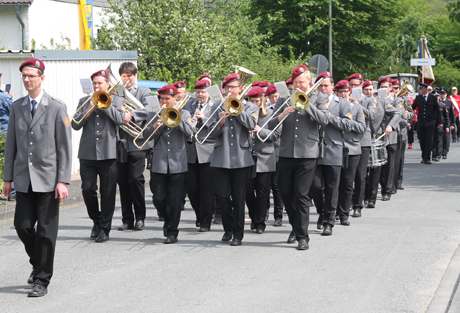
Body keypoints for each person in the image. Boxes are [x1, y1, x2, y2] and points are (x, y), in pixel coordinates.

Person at [2, 58, 72, 297]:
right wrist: (7, 177)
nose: (27, 80)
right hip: (23, 178)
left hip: (49, 180)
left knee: (46, 231)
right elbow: (11, 143)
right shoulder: (17, 106)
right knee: (21, 226)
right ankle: (38, 262)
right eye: (24, 76)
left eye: (31, 75)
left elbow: (64, 147)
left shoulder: (56, 107)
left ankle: (42, 279)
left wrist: (63, 180)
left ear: (41, 77)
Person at [270, 65, 329, 249]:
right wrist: (281, 115)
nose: (299, 86)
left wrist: (306, 104)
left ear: (309, 82)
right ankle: (296, 227)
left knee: (301, 194)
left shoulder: (320, 98)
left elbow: (324, 120)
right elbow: (271, 123)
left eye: (302, 82)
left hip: (307, 153)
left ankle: (303, 236)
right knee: (285, 192)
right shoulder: (284, 99)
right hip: (286, 152)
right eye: (296, 83)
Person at [72, 69, 130, 243]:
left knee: (108, 192)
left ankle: (105, 228)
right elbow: (74, 124)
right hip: (87, 153)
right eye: (95, 83)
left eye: (100, 83)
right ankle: (96, 221)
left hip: (109, 153)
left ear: (108, 85)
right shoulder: (84, 101)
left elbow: (121, 120)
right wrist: (89, 107)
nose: (97, 86)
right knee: (87, 189)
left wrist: (105, 105)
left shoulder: (117, 100)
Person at [208, 72, 258, 246]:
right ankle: (228, 228)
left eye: (233, 88)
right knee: (222, 197)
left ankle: (238, 233)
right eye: (227, 88)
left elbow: (251, 125)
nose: (230, 91)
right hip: (221, 158)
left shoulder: (249, 106)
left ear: (240, 89)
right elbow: (208, 133)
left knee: (238, 198)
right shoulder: (216, 106)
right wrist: (219, 122)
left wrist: (237, 111)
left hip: (241, 158)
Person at [116, 62, 158, 231]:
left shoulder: (144, 91)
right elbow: (113, 108)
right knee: (123, 182)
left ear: (135, 75)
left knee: (135, 179)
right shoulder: (118, 92)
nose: (127, 79)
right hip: (121, 141)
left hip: (139, 142)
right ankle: (127, 219)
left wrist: (132, 114)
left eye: (130, 75)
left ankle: (140, 217)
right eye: (124, 76)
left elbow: (151, 109)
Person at [245, 86, 281, 234]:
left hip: (265, 157)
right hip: (247, 157)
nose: (255, 104)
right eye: (252, 101)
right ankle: (255, 216)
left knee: (262, 191)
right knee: (247, 191)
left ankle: (260, 222)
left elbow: (275, 135)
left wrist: (260, 130)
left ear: (264, 99)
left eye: (257, 100)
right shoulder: (245, 113)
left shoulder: (272, 114)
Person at [184, 77, 218, 232]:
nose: (200, 94)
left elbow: (217, 127)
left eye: (203, 91)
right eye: (198, 91)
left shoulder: (215, 105)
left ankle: (205, 221)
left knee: (206, 189)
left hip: (207, 151)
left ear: (209, 91)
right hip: (191, 151)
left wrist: (203, 119)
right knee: (191, 188)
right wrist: (189, 121)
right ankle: (200, 215)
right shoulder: (189, 104)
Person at [352, 80, 377, 217]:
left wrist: (357, 104)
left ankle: (358, 205)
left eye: (370, 89)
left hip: (363, 140)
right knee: (348, 175)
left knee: (360, 175)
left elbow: (372, 115)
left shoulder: (371, 101)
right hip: (349, 140)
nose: (368, 92)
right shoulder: (351, 98)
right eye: (365, 89)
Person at [265, 83, 284, 226]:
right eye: (272, 97)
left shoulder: (282, 108)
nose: (275, 99)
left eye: (277, 96)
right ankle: (264, 213)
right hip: (266, 151)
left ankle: (278, 215)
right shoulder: (265, 109)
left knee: (277, 185)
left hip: (278, 149)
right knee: (266, 185)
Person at [412, 83, 440, 164]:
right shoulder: (418, 98)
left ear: (426, 89)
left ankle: (427, 158)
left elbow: (437, 110)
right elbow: (413, 107)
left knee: (429, 140)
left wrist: (439, 122)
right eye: (420, 89)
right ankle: (423, 156)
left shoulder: (433, 98)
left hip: (430, 122)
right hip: (421, 122)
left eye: (422, 89)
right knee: (422, 140)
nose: (421, 90)